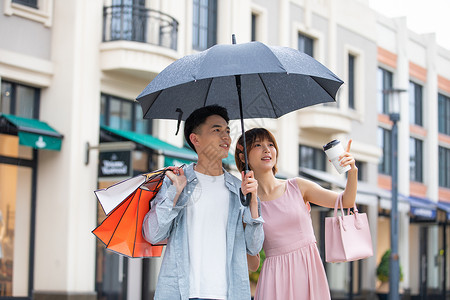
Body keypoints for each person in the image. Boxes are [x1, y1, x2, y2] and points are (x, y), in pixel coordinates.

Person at [142, 105, 264, 300]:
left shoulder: (239, 188)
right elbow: (152, 234)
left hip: (229, 294)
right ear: (195, 139)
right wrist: (175, 192)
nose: (226, 137)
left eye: (227, 131)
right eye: (217, 130)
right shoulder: (176, 181)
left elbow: (253, 247)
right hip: (182, 293)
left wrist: (253, 204)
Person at [236, 128, 357, 300]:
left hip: (309, 272)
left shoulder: (297, 187)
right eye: (257, 145)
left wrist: (352, 171)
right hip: (274, 281)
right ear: (243, 157)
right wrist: (252, 206)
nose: (267, 149)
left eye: (271, 144)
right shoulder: (245, 204)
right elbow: (253, 264)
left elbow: (347, 202)